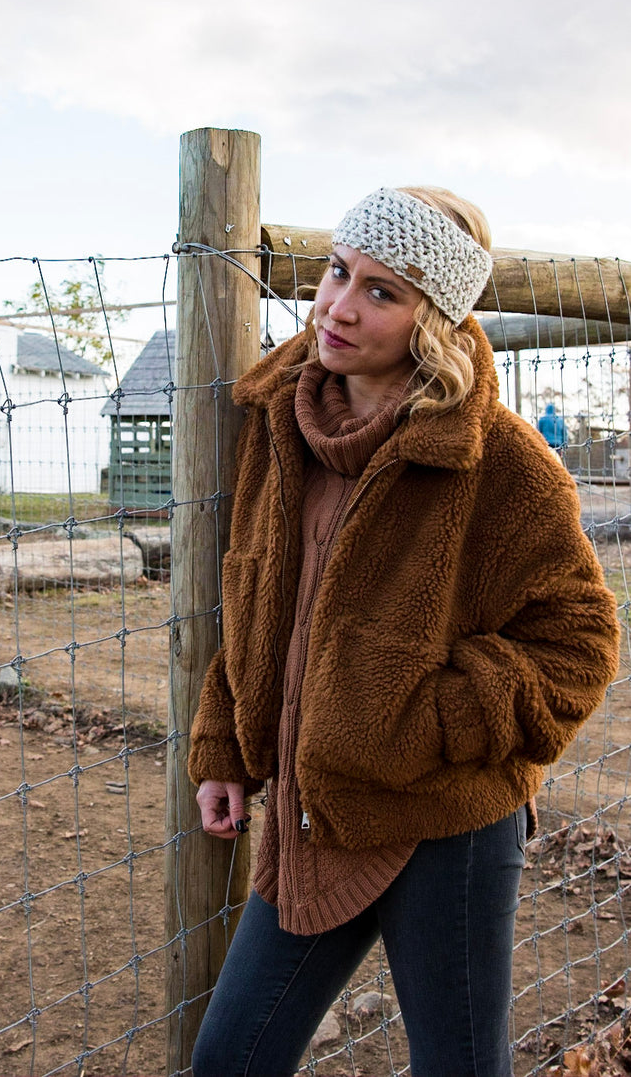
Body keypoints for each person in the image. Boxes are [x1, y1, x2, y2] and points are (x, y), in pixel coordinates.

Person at [188, 187, 621, 1077]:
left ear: (434, 317)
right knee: (229, 1059)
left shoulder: (502, 462)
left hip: (443, 824)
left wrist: (423, 719)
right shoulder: (277, 423)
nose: (338, 307)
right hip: (313, 815)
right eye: (337, 272)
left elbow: (579, 642)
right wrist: (224, 745)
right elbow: (256, 597)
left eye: (381, 291)